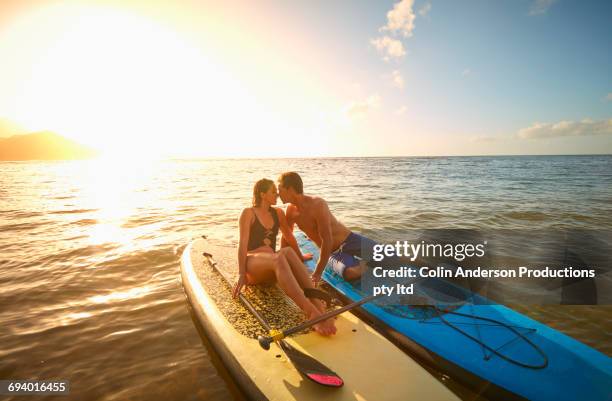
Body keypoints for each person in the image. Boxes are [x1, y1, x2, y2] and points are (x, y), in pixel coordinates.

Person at [233, 178, 336, 336]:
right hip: (253, 266)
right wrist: (241, 274)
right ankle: (311, 312)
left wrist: (299, 258)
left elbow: (289, 237)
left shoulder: (278, 213)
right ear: (262, 194)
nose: (277, 194)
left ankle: (318, 306)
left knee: (286, 252)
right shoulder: (248, 213)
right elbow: (242, 244)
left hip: (273, 268)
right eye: (273, 191)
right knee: (278, 257)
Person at [278, 172, 378, 286]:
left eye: (280, 189)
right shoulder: (290, 211)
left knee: (393, 256)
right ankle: (366, 262)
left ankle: (372, 259)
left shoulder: (317, 204)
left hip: (350, 240)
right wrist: (281, 260)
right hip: (332, 253)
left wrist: (317, 273)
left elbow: (327, 239)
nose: (278, 194)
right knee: (352, 273)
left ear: (290, 189)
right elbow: (287, 236)